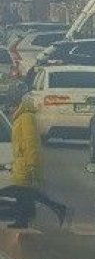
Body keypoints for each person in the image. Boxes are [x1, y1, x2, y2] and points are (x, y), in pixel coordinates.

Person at [0, 96, 70, 228]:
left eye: (11, 106)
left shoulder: (25, 118)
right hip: (21, 162)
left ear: (18, 105)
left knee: (21, 192)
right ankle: (24, 219)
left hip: (25, 163)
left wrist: (31, 163)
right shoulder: (21, 117)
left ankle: (54, 207)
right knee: (24, 193)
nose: (10, 109)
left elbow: (30, 142)